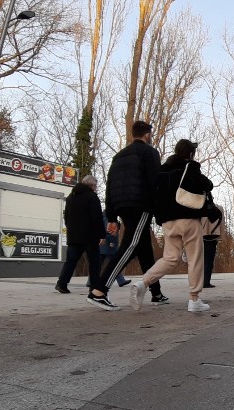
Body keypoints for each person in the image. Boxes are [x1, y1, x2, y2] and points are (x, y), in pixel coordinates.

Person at [87, 120, 165, 311]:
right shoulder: (149, 152)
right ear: (147, 135)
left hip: (122, 205)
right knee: (129, 246)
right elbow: (155, 182)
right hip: (140, 205)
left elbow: (109, 186)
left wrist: (112, 216)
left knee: (144, 249)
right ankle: (99, 291)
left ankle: (156, 292)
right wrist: (159, 211)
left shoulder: (118, 156)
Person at [129, 138, 214, 313]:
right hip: (189, 219)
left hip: (168, 222)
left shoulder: (160, 171)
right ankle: (194, 299)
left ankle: (143, 283)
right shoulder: (190, 167)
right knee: (195, 258)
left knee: (170, 258)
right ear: (190, 154)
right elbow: (208, 185)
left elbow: (154, 196)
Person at [56, 175, 104, 294]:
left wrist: (71, 229)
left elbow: (66, 216)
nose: (96, 188)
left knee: (71, 261)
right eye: (95, 186)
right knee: (94, 262)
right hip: (89, 236)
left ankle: (62, 283)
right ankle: (94, 286)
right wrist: (102, 235)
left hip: (74, 236)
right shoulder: (92, 197)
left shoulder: (70, 198)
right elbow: (97, 218)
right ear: (91, 185)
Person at [86, 215, 130, 289]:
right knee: (114, 263)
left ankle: (90, 282)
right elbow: (108, 231)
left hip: (104, 246)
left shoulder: (104, 217)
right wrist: (112, 241)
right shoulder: (109, 218)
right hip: (108, 246)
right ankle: (121, 281)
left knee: (99, 264)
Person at [202, 198, 224, 289]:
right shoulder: (218, 208)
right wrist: (221, 236)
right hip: (213, 235)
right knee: (209, 260)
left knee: (199, 260)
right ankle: (206, 281)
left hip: (201, 235)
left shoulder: (199, 207)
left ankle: (199, 281)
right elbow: (221, 223)